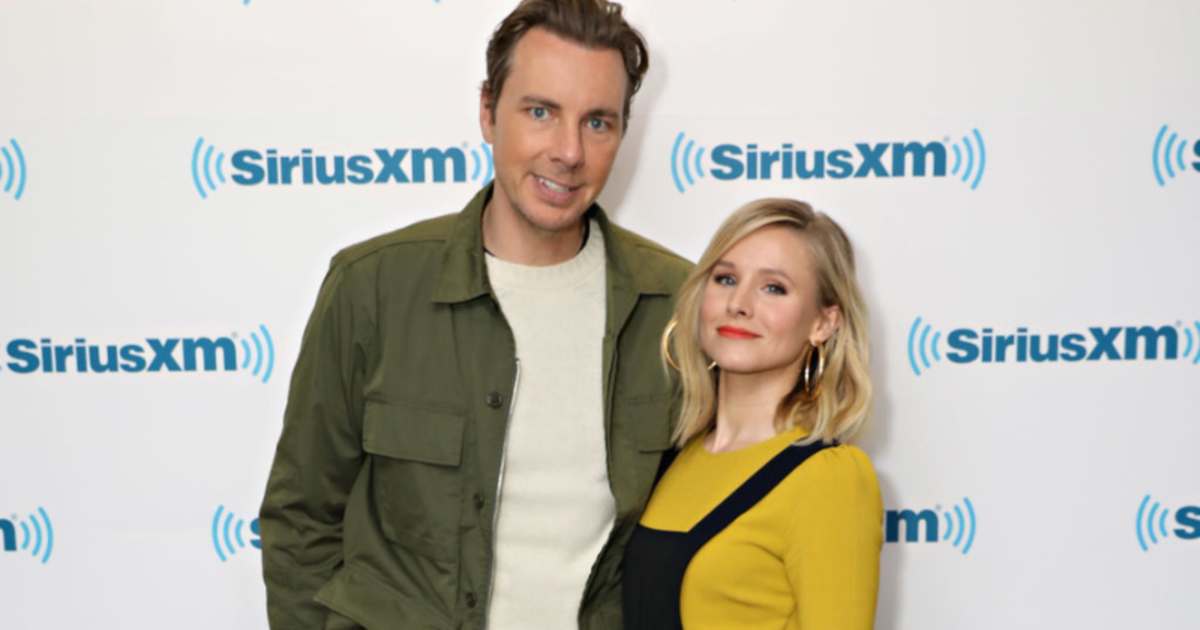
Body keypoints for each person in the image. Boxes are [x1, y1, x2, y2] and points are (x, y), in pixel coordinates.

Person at [258, 1, 691, 628]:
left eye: (598, 122)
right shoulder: (373, 287)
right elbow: (301, 516)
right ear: (488, 112)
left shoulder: (677, 305)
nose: (569, 152)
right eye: (540, 112)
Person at [622, 198, 883, 630]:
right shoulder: (676, 458)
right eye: (725, 279)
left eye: (774, 287)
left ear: (824, 323)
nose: (739, 303)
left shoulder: (830, 478)